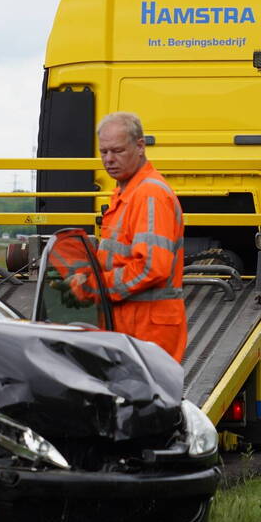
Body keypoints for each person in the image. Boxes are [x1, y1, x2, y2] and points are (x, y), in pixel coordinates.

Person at [65, 112, 186, 361]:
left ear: (140, 146)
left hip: (149, 331)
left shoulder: (149, 195)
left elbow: (151, 268)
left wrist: (93, 285)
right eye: (104, 151)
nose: (109, 159)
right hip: (133, 326)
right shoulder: (127, 194)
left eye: (117, 151)